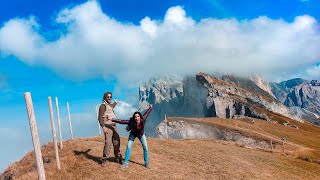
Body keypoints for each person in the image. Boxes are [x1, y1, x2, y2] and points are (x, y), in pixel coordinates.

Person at [112, 104, 153, 169]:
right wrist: (112, 119)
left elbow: (147, 112)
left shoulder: (143, 119)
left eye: (138, 116)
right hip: (133, 134)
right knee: (128, 147)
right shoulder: (131, 122)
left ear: (140, 117)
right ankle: (125, 163)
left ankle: (146, 163)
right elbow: (121, 121)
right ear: (134, 118)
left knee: (145, 148)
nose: (137, 118)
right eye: (135, 117)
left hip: (141, 134)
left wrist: (150, 107)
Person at [98, 92, 122, 167]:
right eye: (108, 97)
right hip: (107, 126)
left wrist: (115, 103)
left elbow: (112, 106)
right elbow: (99, 118)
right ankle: (105, 159)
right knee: (108, 143)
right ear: (105, 97)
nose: (109, 98)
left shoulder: (109, 105)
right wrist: (103, 127)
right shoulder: (102, 106)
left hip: (114, 125)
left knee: (117, 141)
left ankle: (117, 157)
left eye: (110, 97)